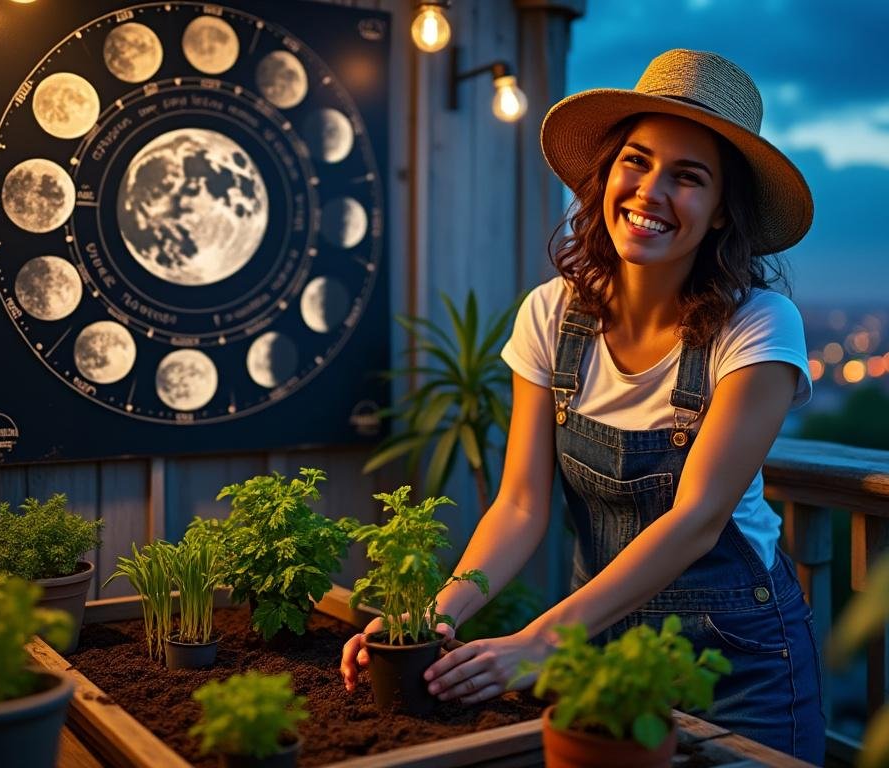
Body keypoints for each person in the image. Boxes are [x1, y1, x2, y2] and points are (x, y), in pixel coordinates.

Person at [341, 48, 825, 763]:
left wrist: (539, 642)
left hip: (735, 660)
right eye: (637, 161)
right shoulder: (549, 315)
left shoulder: (758, 325)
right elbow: (520, 507)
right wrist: (431, 618)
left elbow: (696, 520)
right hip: (598, 648)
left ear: (723, 210)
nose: (651, 192)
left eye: (688, 177)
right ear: (607, 175)